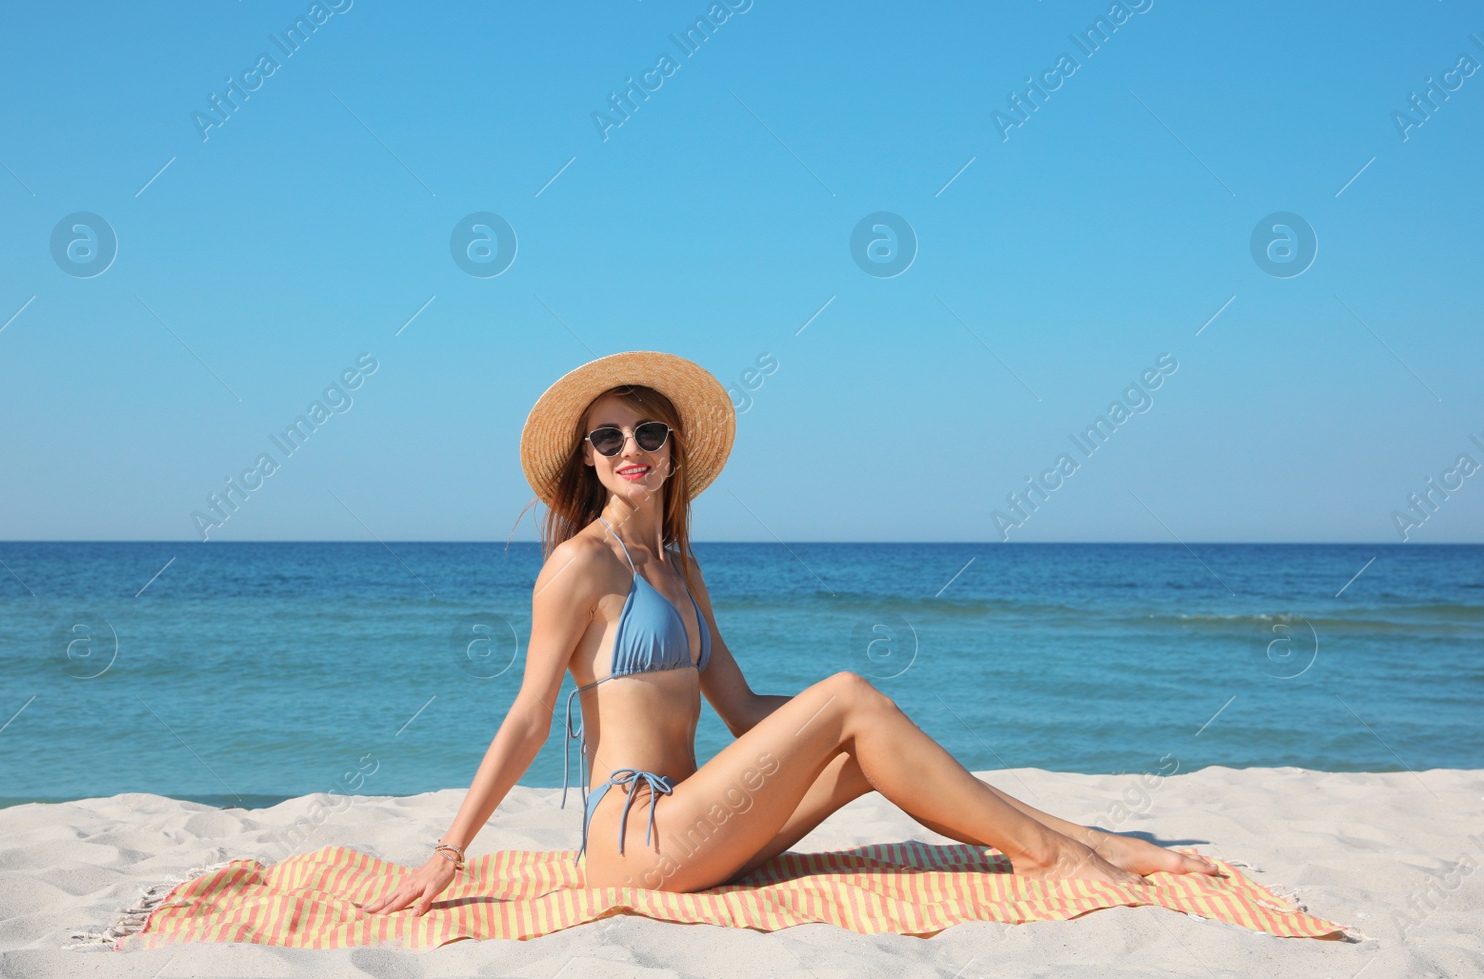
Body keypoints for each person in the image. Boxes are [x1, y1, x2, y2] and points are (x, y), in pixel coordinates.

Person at [362, 351, 1218, 915]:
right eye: (610, 436)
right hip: (636, 839)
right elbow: (528, 718)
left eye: (650, 432)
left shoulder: (680, 567)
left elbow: (737, 710)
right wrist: (449, 852)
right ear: (588, 457)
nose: (632, 448)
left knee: (861, 746)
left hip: (703, 820)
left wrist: (860, 723)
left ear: (674, 450)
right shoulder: (579, 566)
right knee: (847, 694)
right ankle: (1054, 856)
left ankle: (1088, 843)